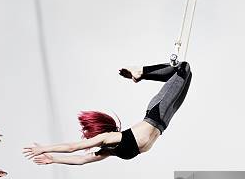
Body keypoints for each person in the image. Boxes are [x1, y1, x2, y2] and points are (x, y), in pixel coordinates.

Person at [23, 61, 192, 165]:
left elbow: (72, 147)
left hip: (156, 113)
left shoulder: (108, 137)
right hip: (165, 121)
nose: (91, 141)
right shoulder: (109, 150)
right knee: (183, 71)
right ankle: (141, 73)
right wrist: (53, 159)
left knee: (183, 69)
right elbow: (82, 160)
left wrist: (44, 148)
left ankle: (141, 71)